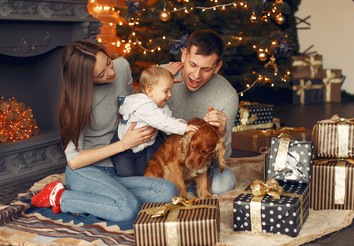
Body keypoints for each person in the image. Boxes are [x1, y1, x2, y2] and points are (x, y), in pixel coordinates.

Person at [30, 40, 178, 225]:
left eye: (108, 62)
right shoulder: (75, 104)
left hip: (119, 168)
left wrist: (161, 79)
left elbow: (137, 102)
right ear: (85, 79)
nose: (111, 73)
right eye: (101, 74)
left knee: (168, 192)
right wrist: (124, 144)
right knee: (127, 209)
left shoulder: (122, 67)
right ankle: (59, 196)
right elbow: (74, 161)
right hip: (87, 170)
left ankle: (104, 197)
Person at [163, 29, 239, 195]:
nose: (196, 75)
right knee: (163, 188)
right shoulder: (161, 76)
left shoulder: (227, 95)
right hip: (166, 158)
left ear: (217, 67)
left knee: (222, 186)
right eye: (193, 65)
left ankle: (189, 187)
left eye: (206, 69)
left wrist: (221, 133)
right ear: (184, 55)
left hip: (202, 164)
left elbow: (222, 157)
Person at [110, 65, 198, 177]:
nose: (170, 95)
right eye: (166, 91)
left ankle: (139, 182)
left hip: (142, 147)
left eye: (171, 90)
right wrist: (184, 128)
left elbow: (169, 121)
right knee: (126, 173)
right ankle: (120, 182)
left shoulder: (162, 107)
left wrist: (182, 124)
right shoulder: (145, 106)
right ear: (149, 91)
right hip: (123, 147)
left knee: (142, 171)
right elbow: (163, 122)